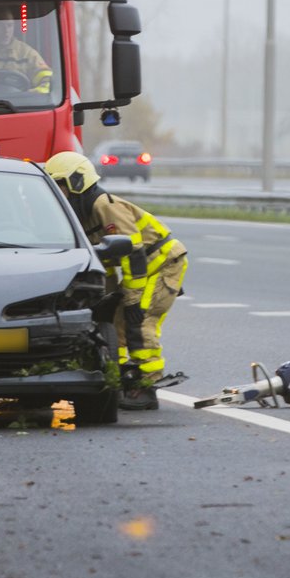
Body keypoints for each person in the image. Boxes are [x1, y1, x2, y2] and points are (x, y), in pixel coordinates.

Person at [43, 150, 187, 411]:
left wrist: (132, 300)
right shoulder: (82, 215)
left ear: (77, 182)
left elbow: (132, 253)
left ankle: (147, 386)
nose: (58, 195)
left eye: (61, 187)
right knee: (116, 324)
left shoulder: (103, 205)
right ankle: (121, 378)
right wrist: (103, 299)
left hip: (162, 265)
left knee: (140, 321)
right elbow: (105, 261)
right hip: (145, 269)